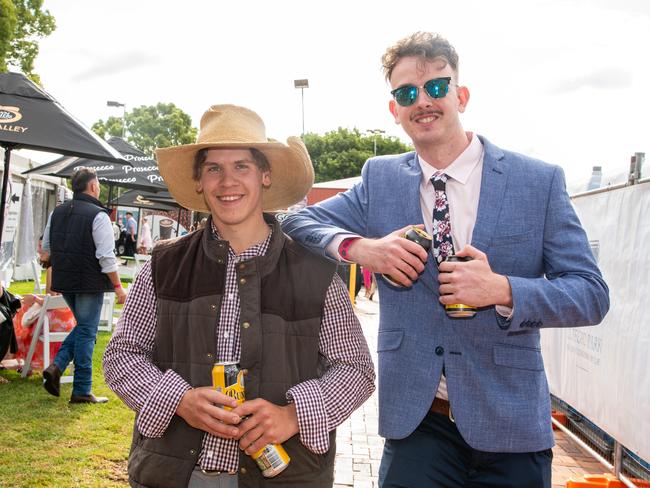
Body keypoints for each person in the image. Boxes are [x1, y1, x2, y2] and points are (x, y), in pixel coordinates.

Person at [281, 32, 610, 488]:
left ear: (462, 95)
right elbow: (296, 222)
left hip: (510, 426)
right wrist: (362, 249)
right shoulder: (380, 178)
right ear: (394, 110)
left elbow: (591, 295)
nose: (423, 101)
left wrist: (503, 290)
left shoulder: (538, 182)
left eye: (436, 86)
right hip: (419, 425)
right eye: (406, 93)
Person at [103, 104, 375, 488]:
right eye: (214, 168)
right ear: (199, 181)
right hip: (176, 474)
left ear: (265, 175)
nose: (227, 181)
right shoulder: (165, 264)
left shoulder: (314, 272)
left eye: (241, 166)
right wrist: (178, 400)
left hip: (282, 476)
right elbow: (121, 356)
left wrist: (293, 415)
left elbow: (357, 371)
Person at [41, 167, 127, 404]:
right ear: (92, 186)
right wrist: (118, 286)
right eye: (98, 184)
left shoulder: (56, 212)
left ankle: (57, 368)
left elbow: (47, 247)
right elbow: (106, 256)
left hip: (65, 280)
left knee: (83, 328)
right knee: (87, 331)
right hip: (88, 282)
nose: (98, 187)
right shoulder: (98, 215)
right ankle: (81, 389)